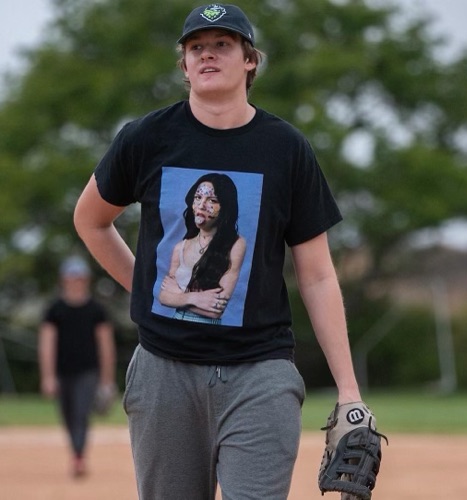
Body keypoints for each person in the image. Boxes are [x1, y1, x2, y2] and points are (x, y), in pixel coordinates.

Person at [73, 3, 363, 498]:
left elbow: (317, 274)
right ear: (184, 66)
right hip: (164, 369)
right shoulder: (147, 138)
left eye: (222, 45)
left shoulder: (286, 148)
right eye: (196, 48)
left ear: (250, 60)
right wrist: (153, 290)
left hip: (260, 372)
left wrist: (349, 391)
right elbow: (90, 220)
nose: (207, 54)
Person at [38, 256, 116, 478]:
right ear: (64, 280)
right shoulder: (55, 310)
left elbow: (106, 346)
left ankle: (78, 457)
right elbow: (47, 344)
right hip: (63, 372)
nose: (75, 282)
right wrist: (48, 376)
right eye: (72, 278)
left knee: (81, 413)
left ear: (86, 280)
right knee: (68, 415)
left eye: (79, 278)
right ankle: (76, 451)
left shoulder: (96, 310)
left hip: (88, 371)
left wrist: (107, 380)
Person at [159, 173, 246, 324]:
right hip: (175, 325)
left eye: (212, 200)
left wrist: (178, 295)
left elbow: (215, 311)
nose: (201, 205)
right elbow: (164, 297)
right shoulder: (180, 247)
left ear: (225, 207)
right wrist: (195, 298)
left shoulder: (236, 244)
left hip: (209, 331)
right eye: (198, 197)